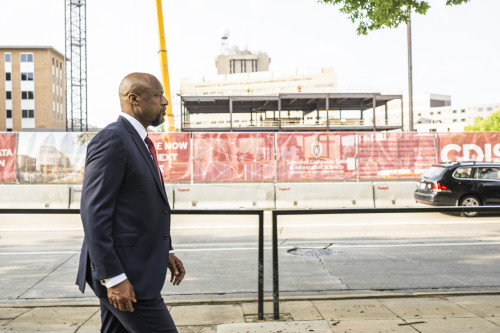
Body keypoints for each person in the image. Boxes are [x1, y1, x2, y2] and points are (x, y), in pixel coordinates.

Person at [76, 72, 186, 332]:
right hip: (126, 274)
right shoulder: (113, 138)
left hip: (136, 265)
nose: (165, 101)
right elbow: (94, 212)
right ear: (134, 99)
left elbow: (140, 207)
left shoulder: (138, 140)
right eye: (158, 95)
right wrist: (113, 277)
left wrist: (166, 250)